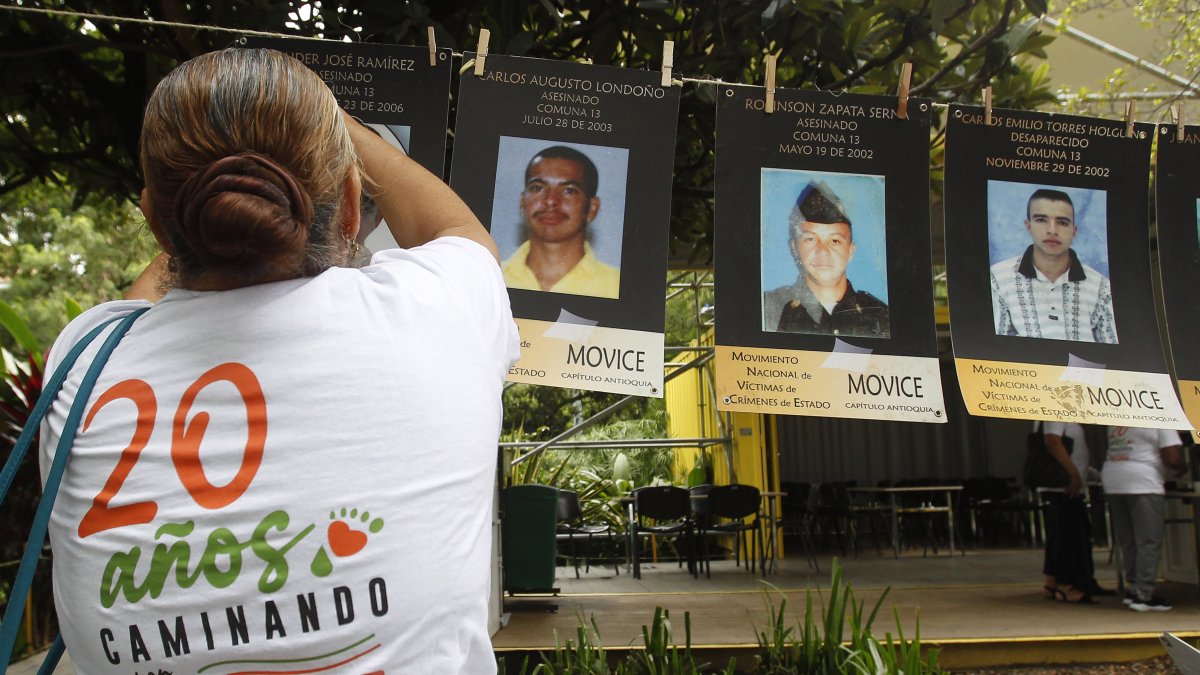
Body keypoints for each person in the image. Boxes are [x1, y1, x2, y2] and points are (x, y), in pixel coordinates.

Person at [39, 48, 519, 672]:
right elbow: (459, 234)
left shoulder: (82, 363)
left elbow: (147, 303)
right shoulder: (434, 312)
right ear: (352, 207)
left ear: (156, 224)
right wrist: (334, 121)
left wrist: (215, 188)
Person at [761, 181, 889, 337]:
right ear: (795, 248)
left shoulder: (880, 316)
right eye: (810, 239)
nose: (822, 251)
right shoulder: (768, 309)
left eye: (835, 241)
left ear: (851, 251)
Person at [990, 188, 1117, 343]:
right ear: (1028, 226)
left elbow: (1114, 353)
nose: (1052, 230)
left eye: (1062, 222)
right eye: (1041, 220)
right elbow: (992, 347)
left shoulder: (1102, 289)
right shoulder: (998, 280)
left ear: (1074, 231)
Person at [500, 146, 621, 298]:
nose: (551, 200)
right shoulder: (491, 277)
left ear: (592, 208)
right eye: (537, 188)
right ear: (522, 202)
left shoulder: (616, 286)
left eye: (569, 190)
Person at [1103, 426, 1186, 611]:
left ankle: (1133, 588)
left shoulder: (1116, 418)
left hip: (1113, 479)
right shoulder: (1161, 418)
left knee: (1128, 540)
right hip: (1143, 480)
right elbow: (1172, 457)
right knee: (1148, 540)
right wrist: (1183, 469)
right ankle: (1144, 595)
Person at [1039, 422, 1111, 603]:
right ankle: (1068, 585)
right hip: (1064, 485)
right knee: (1071, 535)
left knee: (1059, 533)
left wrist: (1088, 473)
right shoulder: (1055, 411)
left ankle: (1053, 581)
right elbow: (1052, 441)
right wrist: (1073, 475)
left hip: (1062, 484)